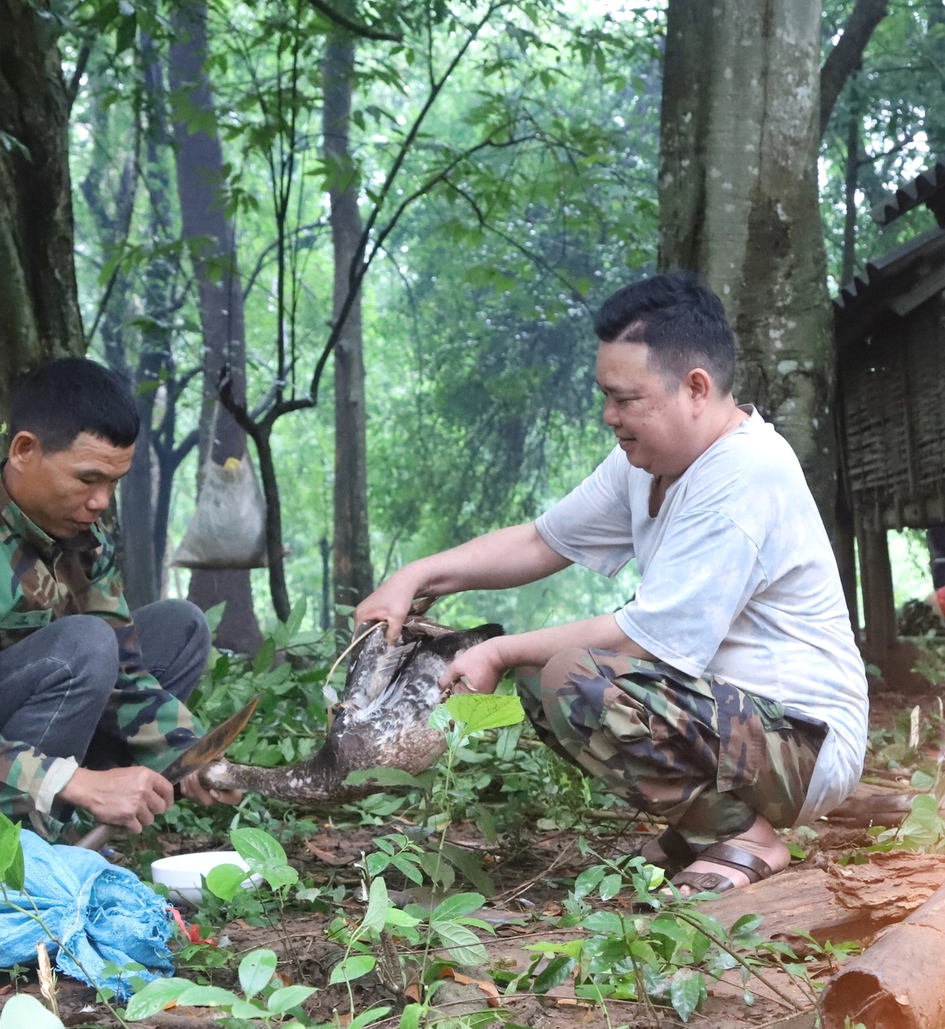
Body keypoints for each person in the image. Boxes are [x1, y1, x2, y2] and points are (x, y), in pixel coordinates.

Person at [354, 273, 868, 894]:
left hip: (802, 742)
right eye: (606, 397)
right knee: (544, 676)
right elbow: (542, 541)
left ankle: (743, 834)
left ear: (696, 389)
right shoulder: (646, 462)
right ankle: (703, 822)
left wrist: (497, 648)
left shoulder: (745, 473)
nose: (609, 417)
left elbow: (646, 640)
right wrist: (414, 575)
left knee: (570, 677)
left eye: (625, 400)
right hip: (735, 725)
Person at [0, 357, 236, 835]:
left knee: (181, 627)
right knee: (86, 645)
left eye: (113, 483)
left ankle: (68, 819)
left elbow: (128, 674)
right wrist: (75, 781)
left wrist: (189, 756)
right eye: (87, 479)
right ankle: (21, 844)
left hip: (33, 741)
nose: (101, 502)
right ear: (24, 450)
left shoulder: (84, 537)